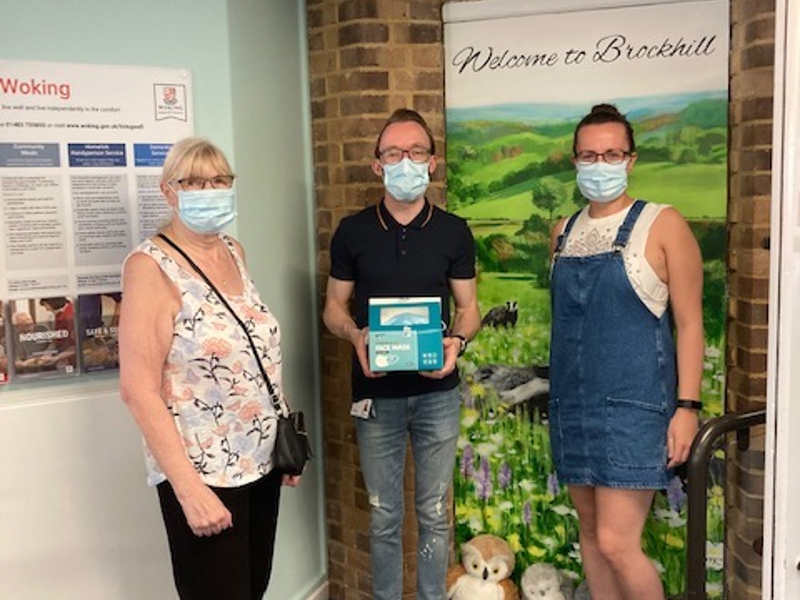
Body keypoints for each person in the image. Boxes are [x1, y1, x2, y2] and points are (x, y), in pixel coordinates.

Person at [118, 137, 300, 600]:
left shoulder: (233, 250)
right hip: (203, 471)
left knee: (253, 587)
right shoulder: (149, 267)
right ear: (168, 191)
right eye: (194, 182)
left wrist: (285, 432)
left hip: (260, 458)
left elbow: (251, 344)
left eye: (220, 180)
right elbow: (138, 388)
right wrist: (187, 488)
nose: (210, 189)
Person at [323, 108, 481, 600]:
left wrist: (457, 343)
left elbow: (470, 309)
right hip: (375, 395)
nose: (405, 161)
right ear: (378, 165)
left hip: (437, 395)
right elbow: (332, 308)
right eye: (393, 153)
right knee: (384, 513)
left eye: (415, 152)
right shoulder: (353, 231)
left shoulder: (454, 231)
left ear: (432, 162)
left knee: (434, 511)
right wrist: (354, 336)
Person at [548, 104, 703, 600]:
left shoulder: (663, 224)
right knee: (591, 539)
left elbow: (690, 323)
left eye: (611, 153)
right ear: (574, 161)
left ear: (630, 159)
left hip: (634, 411)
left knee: (618, 543)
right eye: (589, 155)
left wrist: (687, 408)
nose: (600, 164)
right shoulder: (563, 231)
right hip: (571, 408)